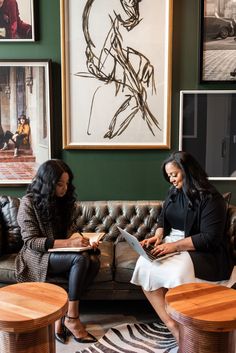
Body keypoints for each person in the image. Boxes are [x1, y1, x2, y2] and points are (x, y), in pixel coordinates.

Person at [130, 151, 233, 343]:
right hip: (173, 242)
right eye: (168, 175)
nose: (171, 180)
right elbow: (163, 217)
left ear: (189, 172)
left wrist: (175, 247)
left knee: (177, 271)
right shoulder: (174, 192)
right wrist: (158, 236)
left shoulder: (211, 198)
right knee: (143, 265)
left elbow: (210, 238)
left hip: (200, 248)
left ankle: (189, 329)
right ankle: (174, 327)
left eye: (174, 174)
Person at [15, 159, 100, 344]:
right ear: (47, 183)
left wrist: (84, 240)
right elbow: (31, 242)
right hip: (38, 256)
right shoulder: (28, 203)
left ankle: (62, 317)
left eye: (67, 184)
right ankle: (73, 319)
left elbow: (70, 228)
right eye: (60, 184)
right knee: (81, 260)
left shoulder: (63, 201)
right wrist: (69, 245)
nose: (64, 188)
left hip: (58, 252)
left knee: (93, 259)